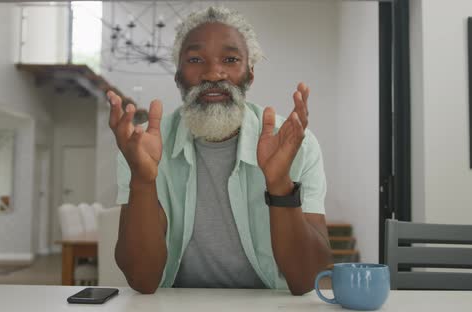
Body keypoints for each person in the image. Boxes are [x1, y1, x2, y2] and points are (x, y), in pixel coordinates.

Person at [107, 6, 332, 296]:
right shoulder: (141, 148)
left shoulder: (297, 144)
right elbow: (142, 279)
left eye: (230, 59)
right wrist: (142, 180)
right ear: (178, 75)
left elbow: (307, 280)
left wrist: (280, 185)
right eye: (196, 59)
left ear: (250, 73)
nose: (213, 73)